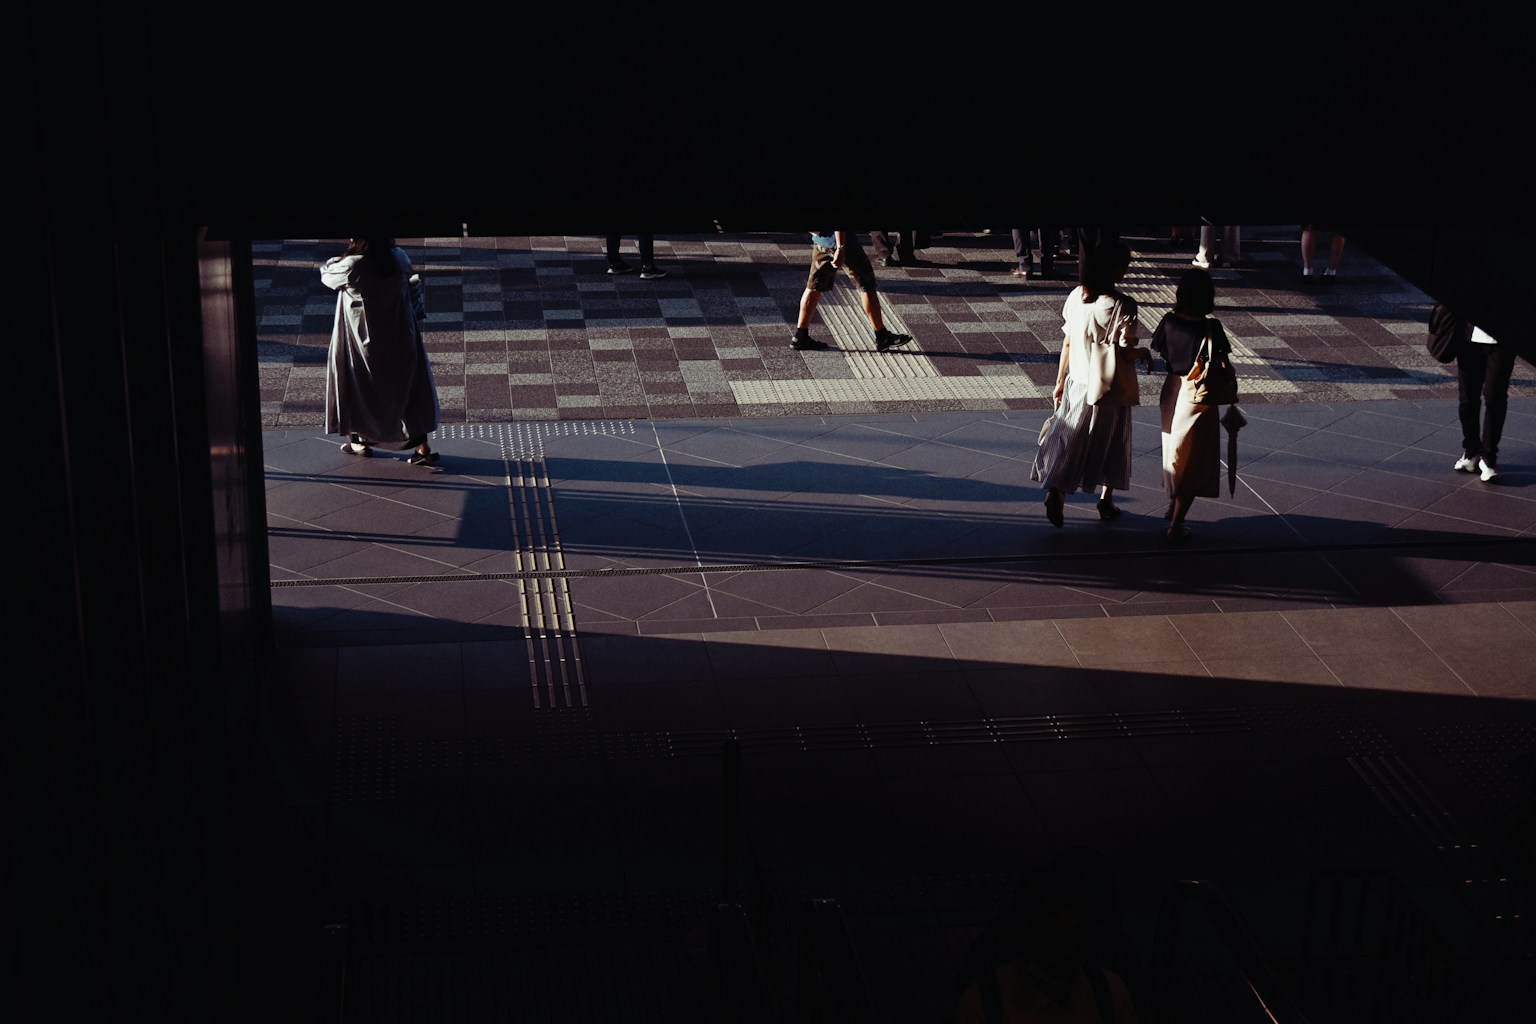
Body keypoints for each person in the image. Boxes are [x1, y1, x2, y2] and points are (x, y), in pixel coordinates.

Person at [1032, 240, 1152, 526]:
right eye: (1125, 266)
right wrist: (1144, 353)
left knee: (1071, 440)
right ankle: (1105, 500)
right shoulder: (1124, 304)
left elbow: (1068, 340)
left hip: (1077, 381)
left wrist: (1060, 380)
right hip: (1109, 389)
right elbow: (1125, 351)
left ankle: (1058, 492)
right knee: (1112, 442)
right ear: (1115, 268)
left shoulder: (1077, 296)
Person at [954, 859, 1143, 1024]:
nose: (1070, 951)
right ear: (1029, 935)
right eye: (1055, 938)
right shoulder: (1108, 991)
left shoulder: (984, 1001)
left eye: (1076, 936)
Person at [321, 237, 440, 466]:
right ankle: (422, 447)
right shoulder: (399, 258)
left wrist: (340, 257)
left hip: (362, 339)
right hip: (401, 334)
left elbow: (328, 275)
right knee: (410, 389)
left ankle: (359, 441)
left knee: (359, 386)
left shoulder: (353, 266)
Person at [1150, 267, 1232, 542]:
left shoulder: (1168, 322)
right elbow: (1222, 364)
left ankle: (1172, 504)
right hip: (1197, 395)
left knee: (1172, 451)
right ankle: (1176, 524)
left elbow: (1161, 350)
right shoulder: (1212, 327)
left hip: (1170, 390)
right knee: (1194, 460)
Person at [791, 230, 914, 352]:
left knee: (814, 285)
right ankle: (881, 335)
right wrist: (840, 248)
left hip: (821, 240)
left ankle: (800, 335)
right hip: (842, 241)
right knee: (866, 284)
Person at [1441, 304, 1518, 483]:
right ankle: (1471, 450)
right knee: (1467, 398)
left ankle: (1488, 457)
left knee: (1494, 396)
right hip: (1468, 339)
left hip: (1503, 342)